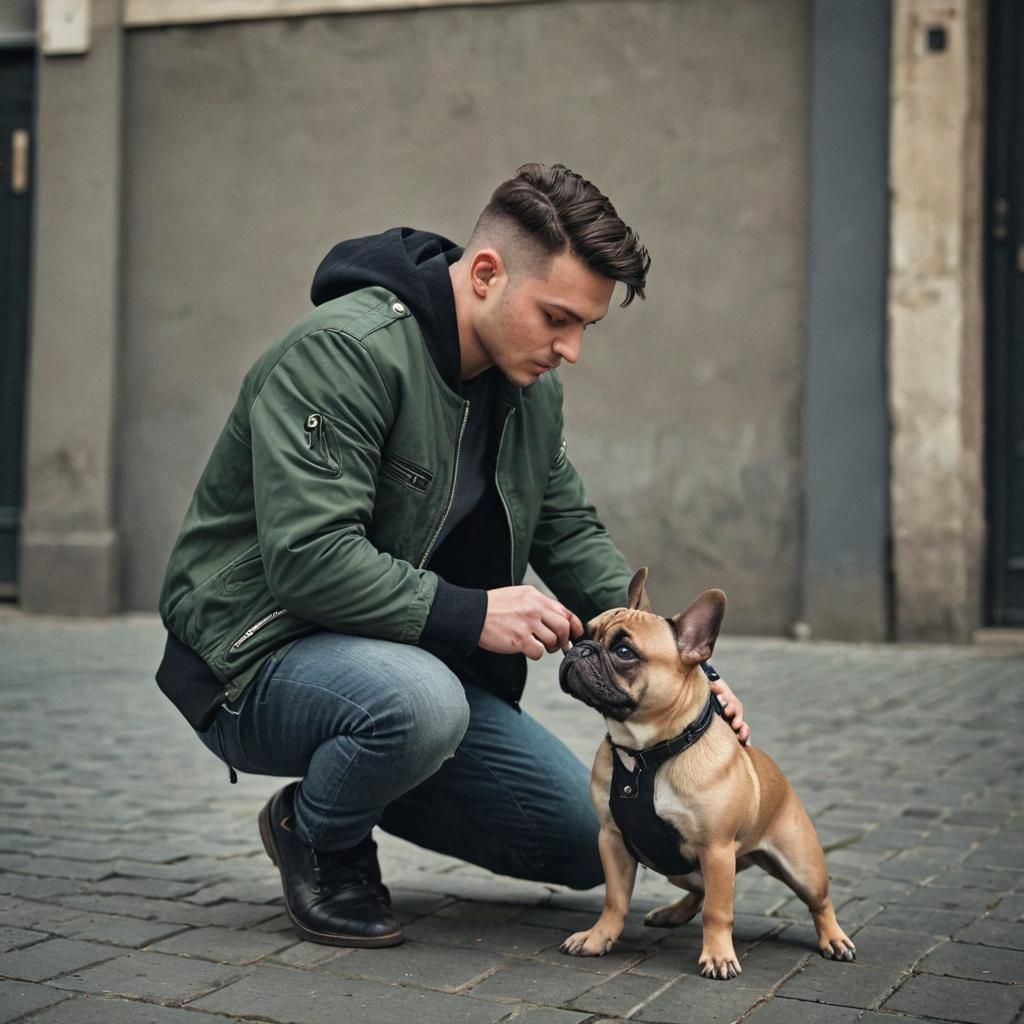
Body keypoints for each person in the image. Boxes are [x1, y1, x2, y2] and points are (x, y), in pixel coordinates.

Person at [155, 162, 750, 949]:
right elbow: (308, 556)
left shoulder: (530, 391)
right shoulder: (345, 354)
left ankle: (373, 768)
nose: (570, 350)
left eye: (585, 329)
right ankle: (317, 832)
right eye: (556, 318)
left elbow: (568, 531)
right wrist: (471, 613)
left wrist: (683, 667)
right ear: (485, 273)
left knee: (589, 839)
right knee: (421, 704)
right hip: (256, 657)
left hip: (407, 669)